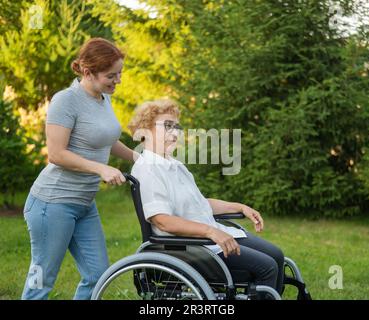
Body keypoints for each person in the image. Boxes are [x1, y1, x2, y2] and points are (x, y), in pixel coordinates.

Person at [128, 99, 285, 295]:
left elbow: (200, 204)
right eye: (168, 126)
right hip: (188, 248)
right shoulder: (147, 169)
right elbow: (163, 221)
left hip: (206, 239)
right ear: (145, 129)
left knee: (276, 255)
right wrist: (210, 232)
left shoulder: (173, 165)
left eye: (177, 127)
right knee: (267, 266)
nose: (175, 133)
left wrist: (240, 207)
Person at [22, 38, 137, 300]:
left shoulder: (103, 98)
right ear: (88, 72)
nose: (117, 80)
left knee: (98, 276)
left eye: (119, 73)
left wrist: (139, 158)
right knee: (42, 280)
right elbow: (56, 154)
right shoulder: (66, 100)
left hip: (84, 204)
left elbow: (105, 139)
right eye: (111, 75)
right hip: (52, 203)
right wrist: (100, 169)